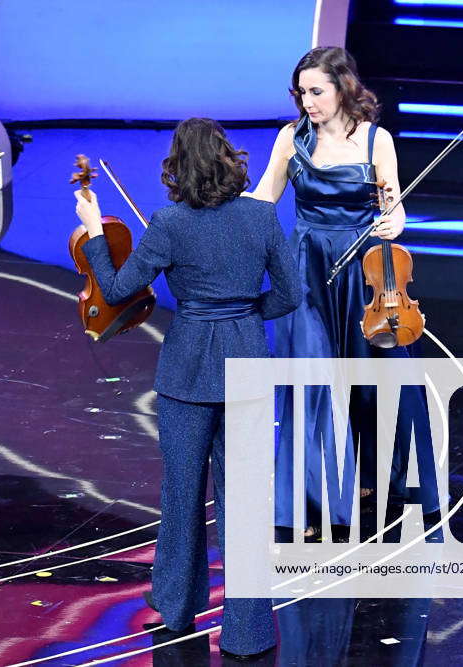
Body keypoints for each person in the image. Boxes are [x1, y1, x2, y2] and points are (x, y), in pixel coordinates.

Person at [73, 117, 301, 658]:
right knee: (245, 503)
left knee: (182, 493)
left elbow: (118, 289)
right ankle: (248, 633)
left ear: (176, 167)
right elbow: (290, 295)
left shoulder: (169, 222)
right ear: (228, 158)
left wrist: (96, 231)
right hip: (246, 362)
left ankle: (176, 607)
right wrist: (244, 317)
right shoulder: (262, 218)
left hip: (186, 371)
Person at [246, 46, 437, 537]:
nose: (307, 101)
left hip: (364, 272)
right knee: (311, 382)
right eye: (302, 93)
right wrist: (216, 209)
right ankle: (314, 505)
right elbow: (265, 197)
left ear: (343, 88)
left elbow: (393, 204)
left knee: (373, 381)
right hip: (306, 270)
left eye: (316, 91)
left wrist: (394, 222)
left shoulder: (377, 141)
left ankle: (376, 475)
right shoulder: (292, 139)